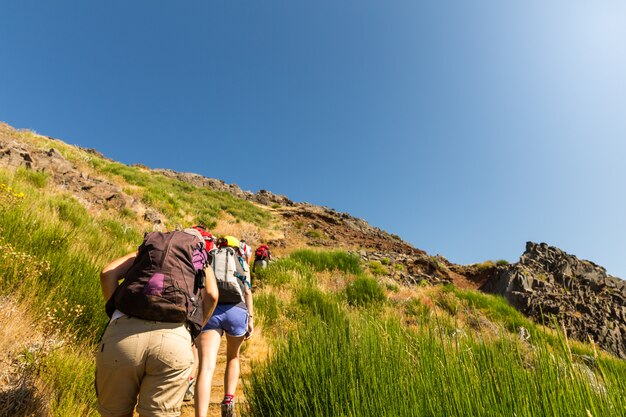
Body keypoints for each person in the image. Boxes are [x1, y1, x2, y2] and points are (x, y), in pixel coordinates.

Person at [96, 228, 218, 417]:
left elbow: (107, 273)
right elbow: (211, 295)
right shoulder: (198, 254)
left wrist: (116, 315)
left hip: (122, 336)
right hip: (174, 339)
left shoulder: (150, 249)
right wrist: (195, 328)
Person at [195, 235, 254, 417]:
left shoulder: (209, 258)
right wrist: (250, 318)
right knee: (232, 358)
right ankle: (228, 400)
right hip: (237, 311)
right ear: (238, 248)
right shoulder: (242, 263)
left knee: (205, 366)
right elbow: (248, 291)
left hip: (211, 311)